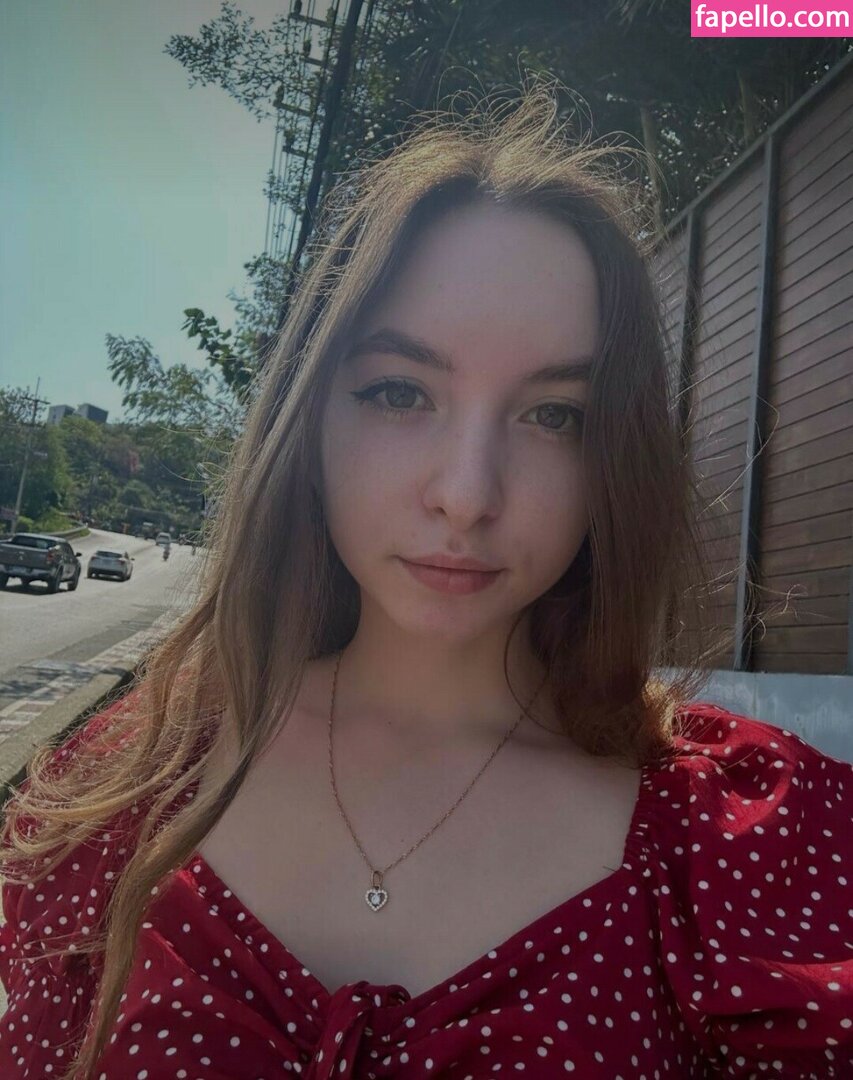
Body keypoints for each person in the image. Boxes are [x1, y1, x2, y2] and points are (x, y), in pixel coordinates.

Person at [0, 82, 850, 1080]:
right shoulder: (118, 788)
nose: (465, 495)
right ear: (307, 419)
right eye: (400, 392)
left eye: (554, 416)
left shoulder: (744, 835)